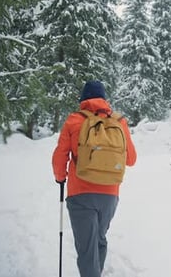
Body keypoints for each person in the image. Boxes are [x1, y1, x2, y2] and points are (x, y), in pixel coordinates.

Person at [52, 80, 137, 277]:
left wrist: (60, 177)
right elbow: (131, 159)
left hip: (80, 193)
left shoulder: (74, 120)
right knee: (99, 239)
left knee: (87, 248)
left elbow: (60, 156)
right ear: (104, 99)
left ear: (83, 99)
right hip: (110, 195)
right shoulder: (119, 121)